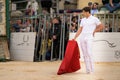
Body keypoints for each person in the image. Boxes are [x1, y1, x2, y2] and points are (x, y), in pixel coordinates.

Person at [73, 7, 104, 74]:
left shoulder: (94, 19)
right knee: (85, 54)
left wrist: (95, 31)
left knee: (89, 53)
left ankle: (92, 70)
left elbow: (101, 26)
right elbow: (80, 29)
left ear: (87, 12)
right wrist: (75, 37)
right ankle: (88, 70)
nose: (83, 13)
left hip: (89, 36)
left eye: (83, 12)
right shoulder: (83, 20)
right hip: (82, 37)